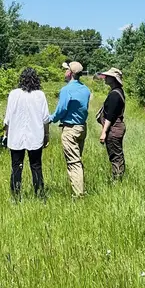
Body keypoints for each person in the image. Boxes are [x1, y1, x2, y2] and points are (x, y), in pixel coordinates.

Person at [2, 67, 50, 200]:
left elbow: (8, 118)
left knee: (16, 167)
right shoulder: (40, 95)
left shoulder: (14, 94)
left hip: (16, 136)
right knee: (36, 166)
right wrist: (46, 135)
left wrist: (5, 135)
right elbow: (45, 118)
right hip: (35, 136)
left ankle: (16, 197)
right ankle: (40, 195)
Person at [48, 60, 91, 198]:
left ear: (71, 73)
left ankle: (78, 194)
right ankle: (80, 189)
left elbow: (61, 110)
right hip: (82, 128)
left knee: (73, 162)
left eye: (66, 70)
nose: (64, 72)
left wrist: (51, 118)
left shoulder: (66, 90)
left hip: (70, 129)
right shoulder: (85, 89)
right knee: (77, 159)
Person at [97, 67, 127, 180]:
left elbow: (110, 115)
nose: (105, 78)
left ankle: (117, 179)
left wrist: (104, 132)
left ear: (114, 79)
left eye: (108, 76)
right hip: (117, 127)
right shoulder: (118, 91)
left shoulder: (115, 94)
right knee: (117, 153)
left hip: (114, 128)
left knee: (115, 155)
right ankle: (118, 177)